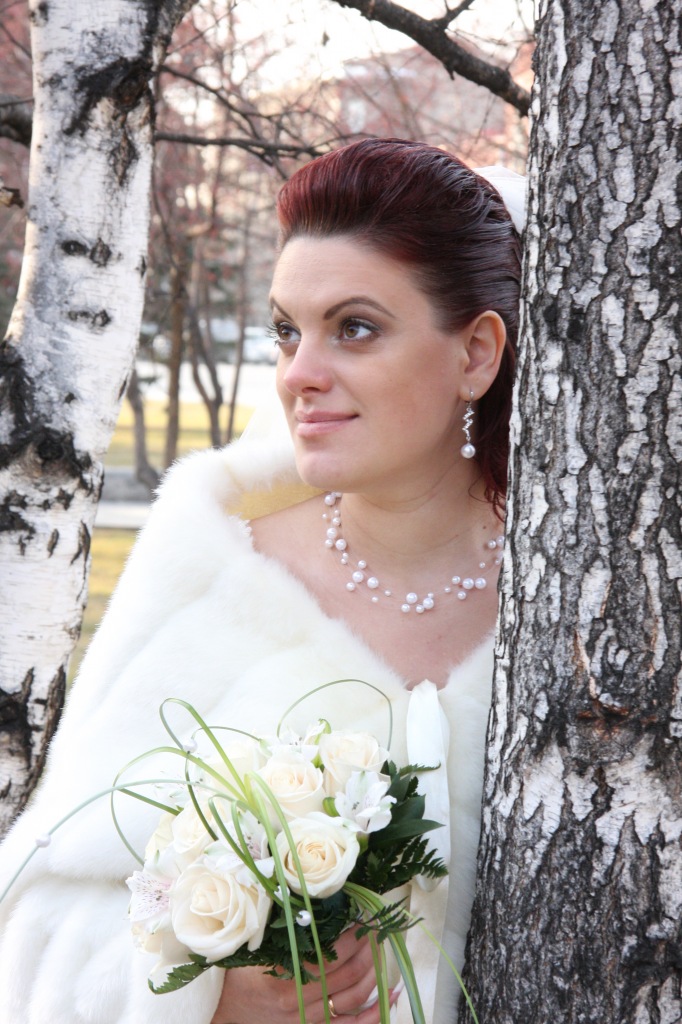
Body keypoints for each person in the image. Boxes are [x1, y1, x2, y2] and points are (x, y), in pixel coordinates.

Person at [0, 138, 524, 1024]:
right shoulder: (214, 576)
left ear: (475, 353)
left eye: (354, 328)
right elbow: (35, 926)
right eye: (288, 330)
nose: (298, 375)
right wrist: (212, 997)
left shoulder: (591, 617)